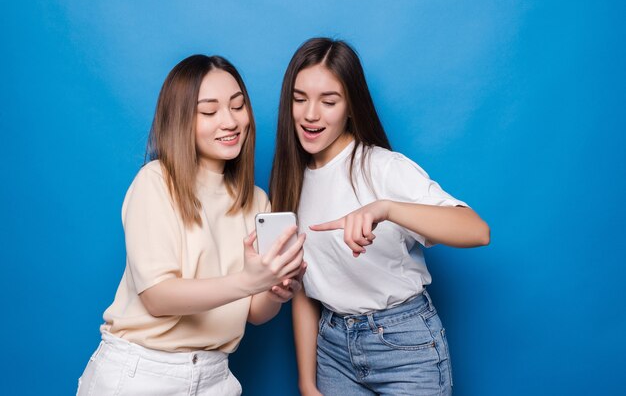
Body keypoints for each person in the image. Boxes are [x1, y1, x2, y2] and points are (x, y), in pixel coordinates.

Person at [269, 38, 490, 396]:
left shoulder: (383, 168)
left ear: (351, 107)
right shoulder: (290, 183)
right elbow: (305, 292)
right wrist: (307, 382)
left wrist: (385, 208)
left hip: (405, 344)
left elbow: (477, 231)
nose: (310, 114)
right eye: (299, 99)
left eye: (329, 101)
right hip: (333, 350)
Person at [77, 54, 305, 396]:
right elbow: (157, 296)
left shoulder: (256, 201)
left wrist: (275, 289)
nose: (229, 121)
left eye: (237, 106)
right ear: (180, 119)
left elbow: (255, 313)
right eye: (209, 112)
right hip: (140, 374)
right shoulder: (155, 181)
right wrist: (247, 281)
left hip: (215, 377)